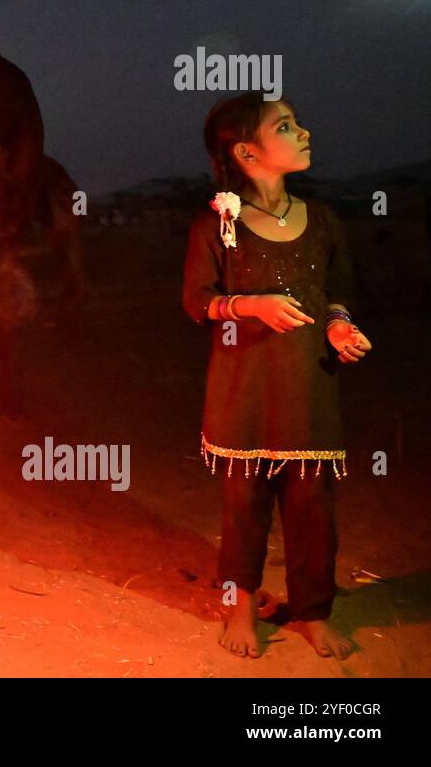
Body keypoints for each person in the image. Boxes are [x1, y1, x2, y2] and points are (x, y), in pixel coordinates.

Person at [182, 94, 372, 659]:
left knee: (314, 508)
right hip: (243, 393)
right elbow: (197, 301)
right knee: (244, 508)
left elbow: (338, 293)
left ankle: (313, 611)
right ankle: (240, 608)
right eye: (286, 126)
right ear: (247, 152)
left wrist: (340, 328)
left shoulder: (324, 222)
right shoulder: (218, 223)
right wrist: (250, 306)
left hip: (309, 386)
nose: (304, 132)